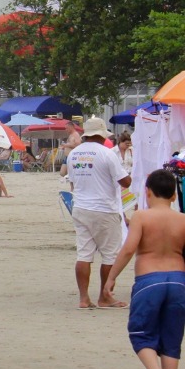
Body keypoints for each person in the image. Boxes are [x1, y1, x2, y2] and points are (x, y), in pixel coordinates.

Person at [102, 168, 185, 369]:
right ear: (174, 196)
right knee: (172, 337)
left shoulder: (141, 217)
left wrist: (111, 277)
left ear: (147, 192)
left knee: (140, 332)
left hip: (150, 280)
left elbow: (129, 249)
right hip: (178, 280)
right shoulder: (183, 219)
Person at [62, 116, 132, 310]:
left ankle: (84, 298)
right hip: (103, 208)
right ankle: (105, 296)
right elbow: (125, 182)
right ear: (102, 136)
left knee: (84, 254)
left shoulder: (74, 154)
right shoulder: (107, 153)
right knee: (110, 255)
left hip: (81, 207)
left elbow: (73, 183)